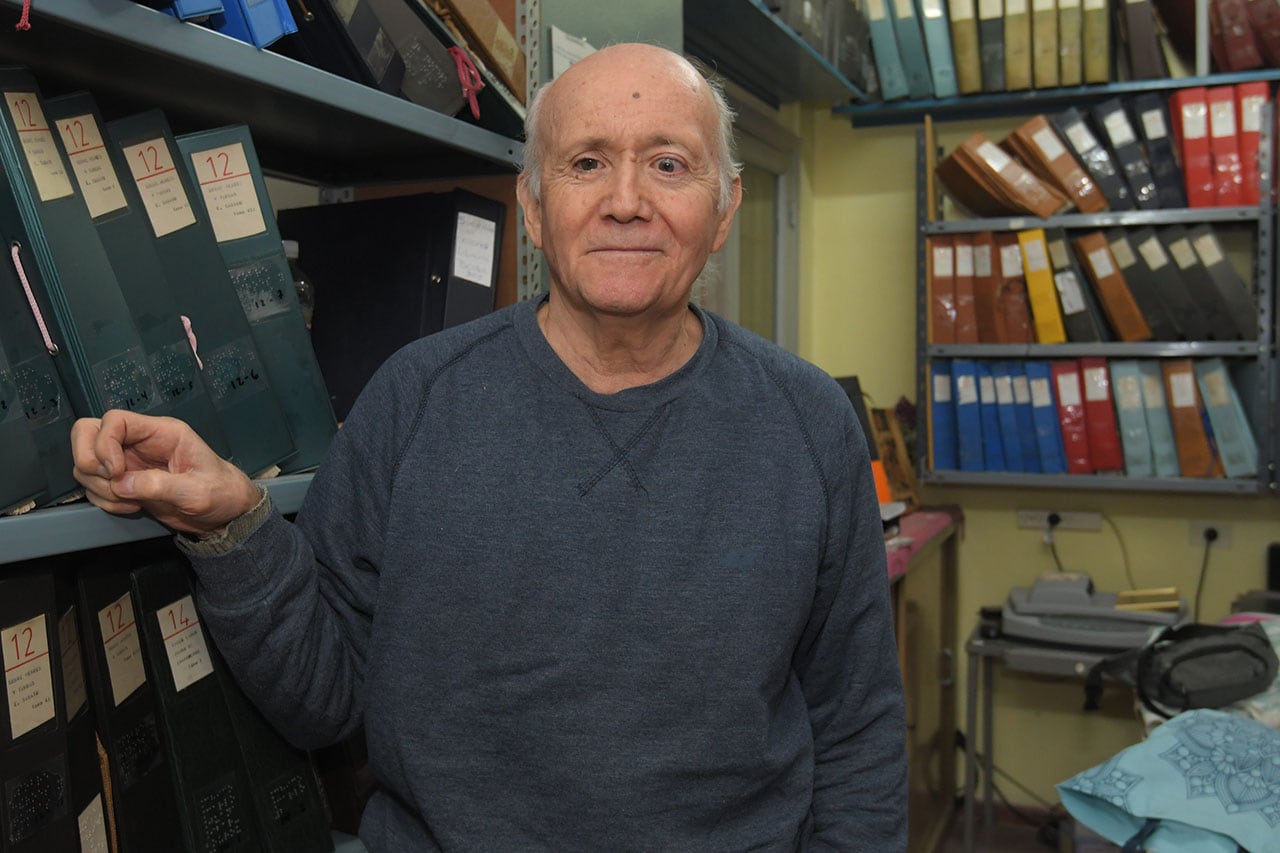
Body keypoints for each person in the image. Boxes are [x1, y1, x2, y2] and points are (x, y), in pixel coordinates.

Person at [71, 43, 907, 850]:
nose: (626, 200)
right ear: (535, 210)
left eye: (668, 163)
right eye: (586, 163)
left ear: (724, 209)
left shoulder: (807, 422)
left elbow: (858, 731)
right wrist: (236, 523)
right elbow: (323, 700)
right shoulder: (416, 398)